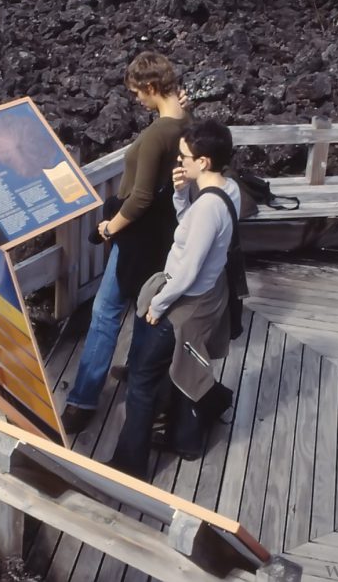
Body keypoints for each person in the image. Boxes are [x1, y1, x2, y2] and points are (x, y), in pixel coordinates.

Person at [60, 51, 190, 434]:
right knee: (147, 308)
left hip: (136, 235)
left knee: (105, 314)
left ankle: (82, 401)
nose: (136, 100)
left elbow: (141, 198)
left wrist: (108, 228)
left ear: (152, 87)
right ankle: (136, 372)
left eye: (138, 93)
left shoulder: (155, 136)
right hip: (165, 233)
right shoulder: (185, 124)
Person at [106, 119, 241, 480]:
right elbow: (191, 231)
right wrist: (181, 194)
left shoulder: (208, 209)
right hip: (208, 299)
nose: (180, 163)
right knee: (181, 369)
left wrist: (158, 305)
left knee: (142, 382)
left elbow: (189, 268)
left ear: (205, 162)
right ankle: (191, 430)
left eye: (185, 157)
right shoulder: (228, 191)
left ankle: (129, 464)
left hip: (181, 303)